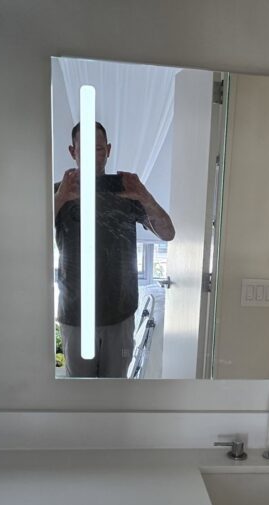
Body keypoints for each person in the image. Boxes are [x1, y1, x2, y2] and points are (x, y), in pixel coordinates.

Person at [54, 121, 175, 377]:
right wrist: (61, 198)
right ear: (72, 152)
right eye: (84, 149)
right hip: (75, 313)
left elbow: (167, 233)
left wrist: (145, 197)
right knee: (79, 395)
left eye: (98, 149)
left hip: (120, 312)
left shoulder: (127, 192)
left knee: (116, 392)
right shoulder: (59, 192)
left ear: (108, 150)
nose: (92, 156)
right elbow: (27, 235)